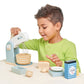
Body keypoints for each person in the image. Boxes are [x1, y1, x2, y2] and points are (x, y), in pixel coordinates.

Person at [11, 4, 80, 72]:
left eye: (44, 27)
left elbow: (76, 70)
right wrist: (15, 35)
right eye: (39, 27)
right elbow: (19, 44)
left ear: (57, 26)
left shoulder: (69, 46)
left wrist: (61, 64)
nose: (40, 31)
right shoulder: (39, 43)